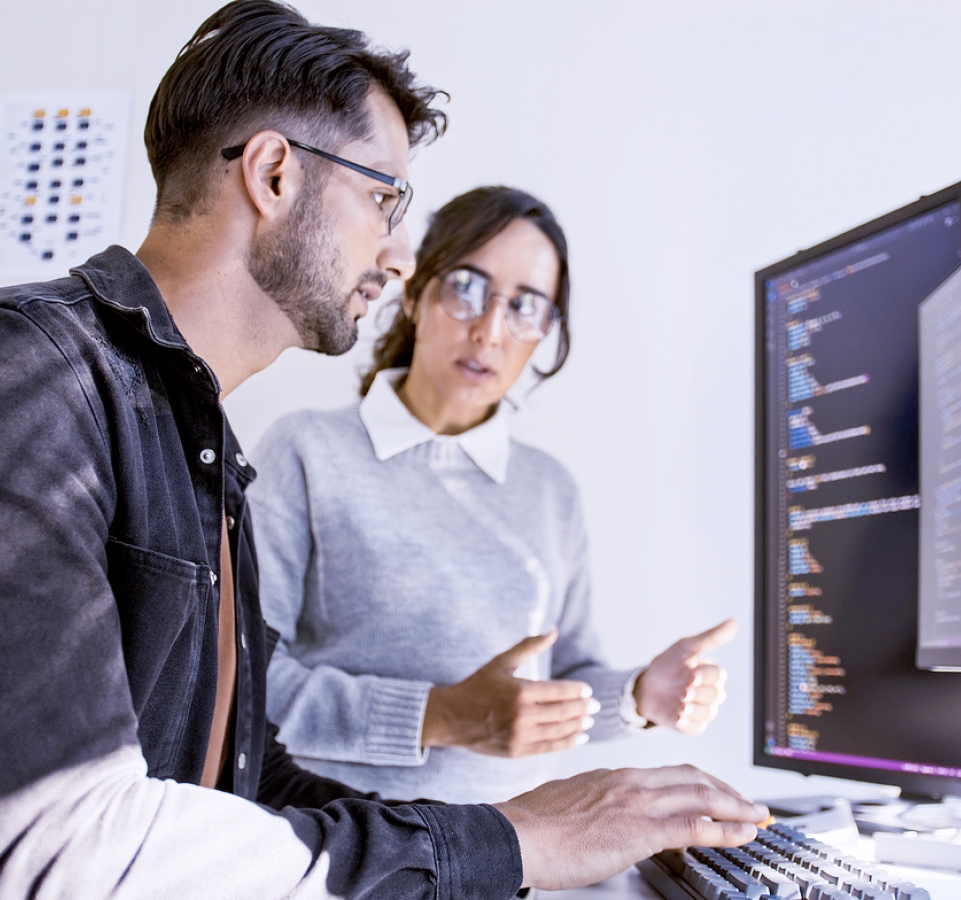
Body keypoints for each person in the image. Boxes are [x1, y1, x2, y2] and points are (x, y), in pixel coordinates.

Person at [0, 2, 769, 898]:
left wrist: (511, 841)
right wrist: (510, 839)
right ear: (275, 174)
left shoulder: (205, 452)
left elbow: (248, 782)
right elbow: (62, 844)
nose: (399, 254)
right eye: (384, 199)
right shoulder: (39, 379)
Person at [250, 186, 738, 804]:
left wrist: (640, 696)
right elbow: (245, 684)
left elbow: (559, 681)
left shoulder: (549, 489)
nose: (489, 331)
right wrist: (441, 715)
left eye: (526, 306)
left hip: (507, 850)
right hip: (339, 842)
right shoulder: (306, 451)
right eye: (467, 288)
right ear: (417, 294)